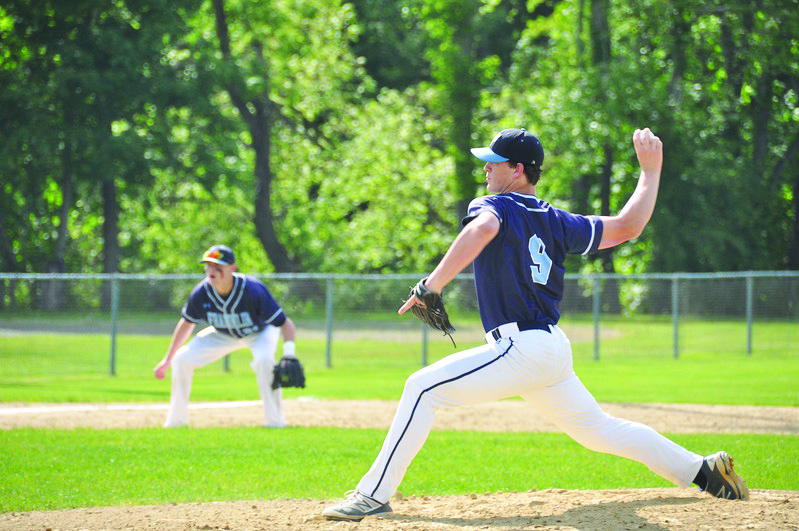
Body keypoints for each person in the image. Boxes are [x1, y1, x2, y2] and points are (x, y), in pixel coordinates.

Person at [322, 127, 749, 521]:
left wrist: (430, 285)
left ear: (518, 170)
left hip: (520, 348)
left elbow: (483, 228)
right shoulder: (555, 219)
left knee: (421, 388)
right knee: (598, 431)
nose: (486, 167)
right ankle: (704, 470)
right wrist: (650, 172)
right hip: (550, 349)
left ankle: (373, 495)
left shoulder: (493, 205)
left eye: (495, 161)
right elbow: (628, 226)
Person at [154, 244, 297, 428]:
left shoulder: (252, 290)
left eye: (217, 266)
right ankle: (176, 422)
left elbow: (286, 323)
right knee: (181, 358)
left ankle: (275, 422)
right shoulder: (202, 292)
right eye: (208, 265)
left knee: (264, 361)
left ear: (232, 268)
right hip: (223, 334)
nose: (211, 270)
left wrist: (289, 354)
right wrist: (168, 359)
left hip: (259, 332)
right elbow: (186, 323)